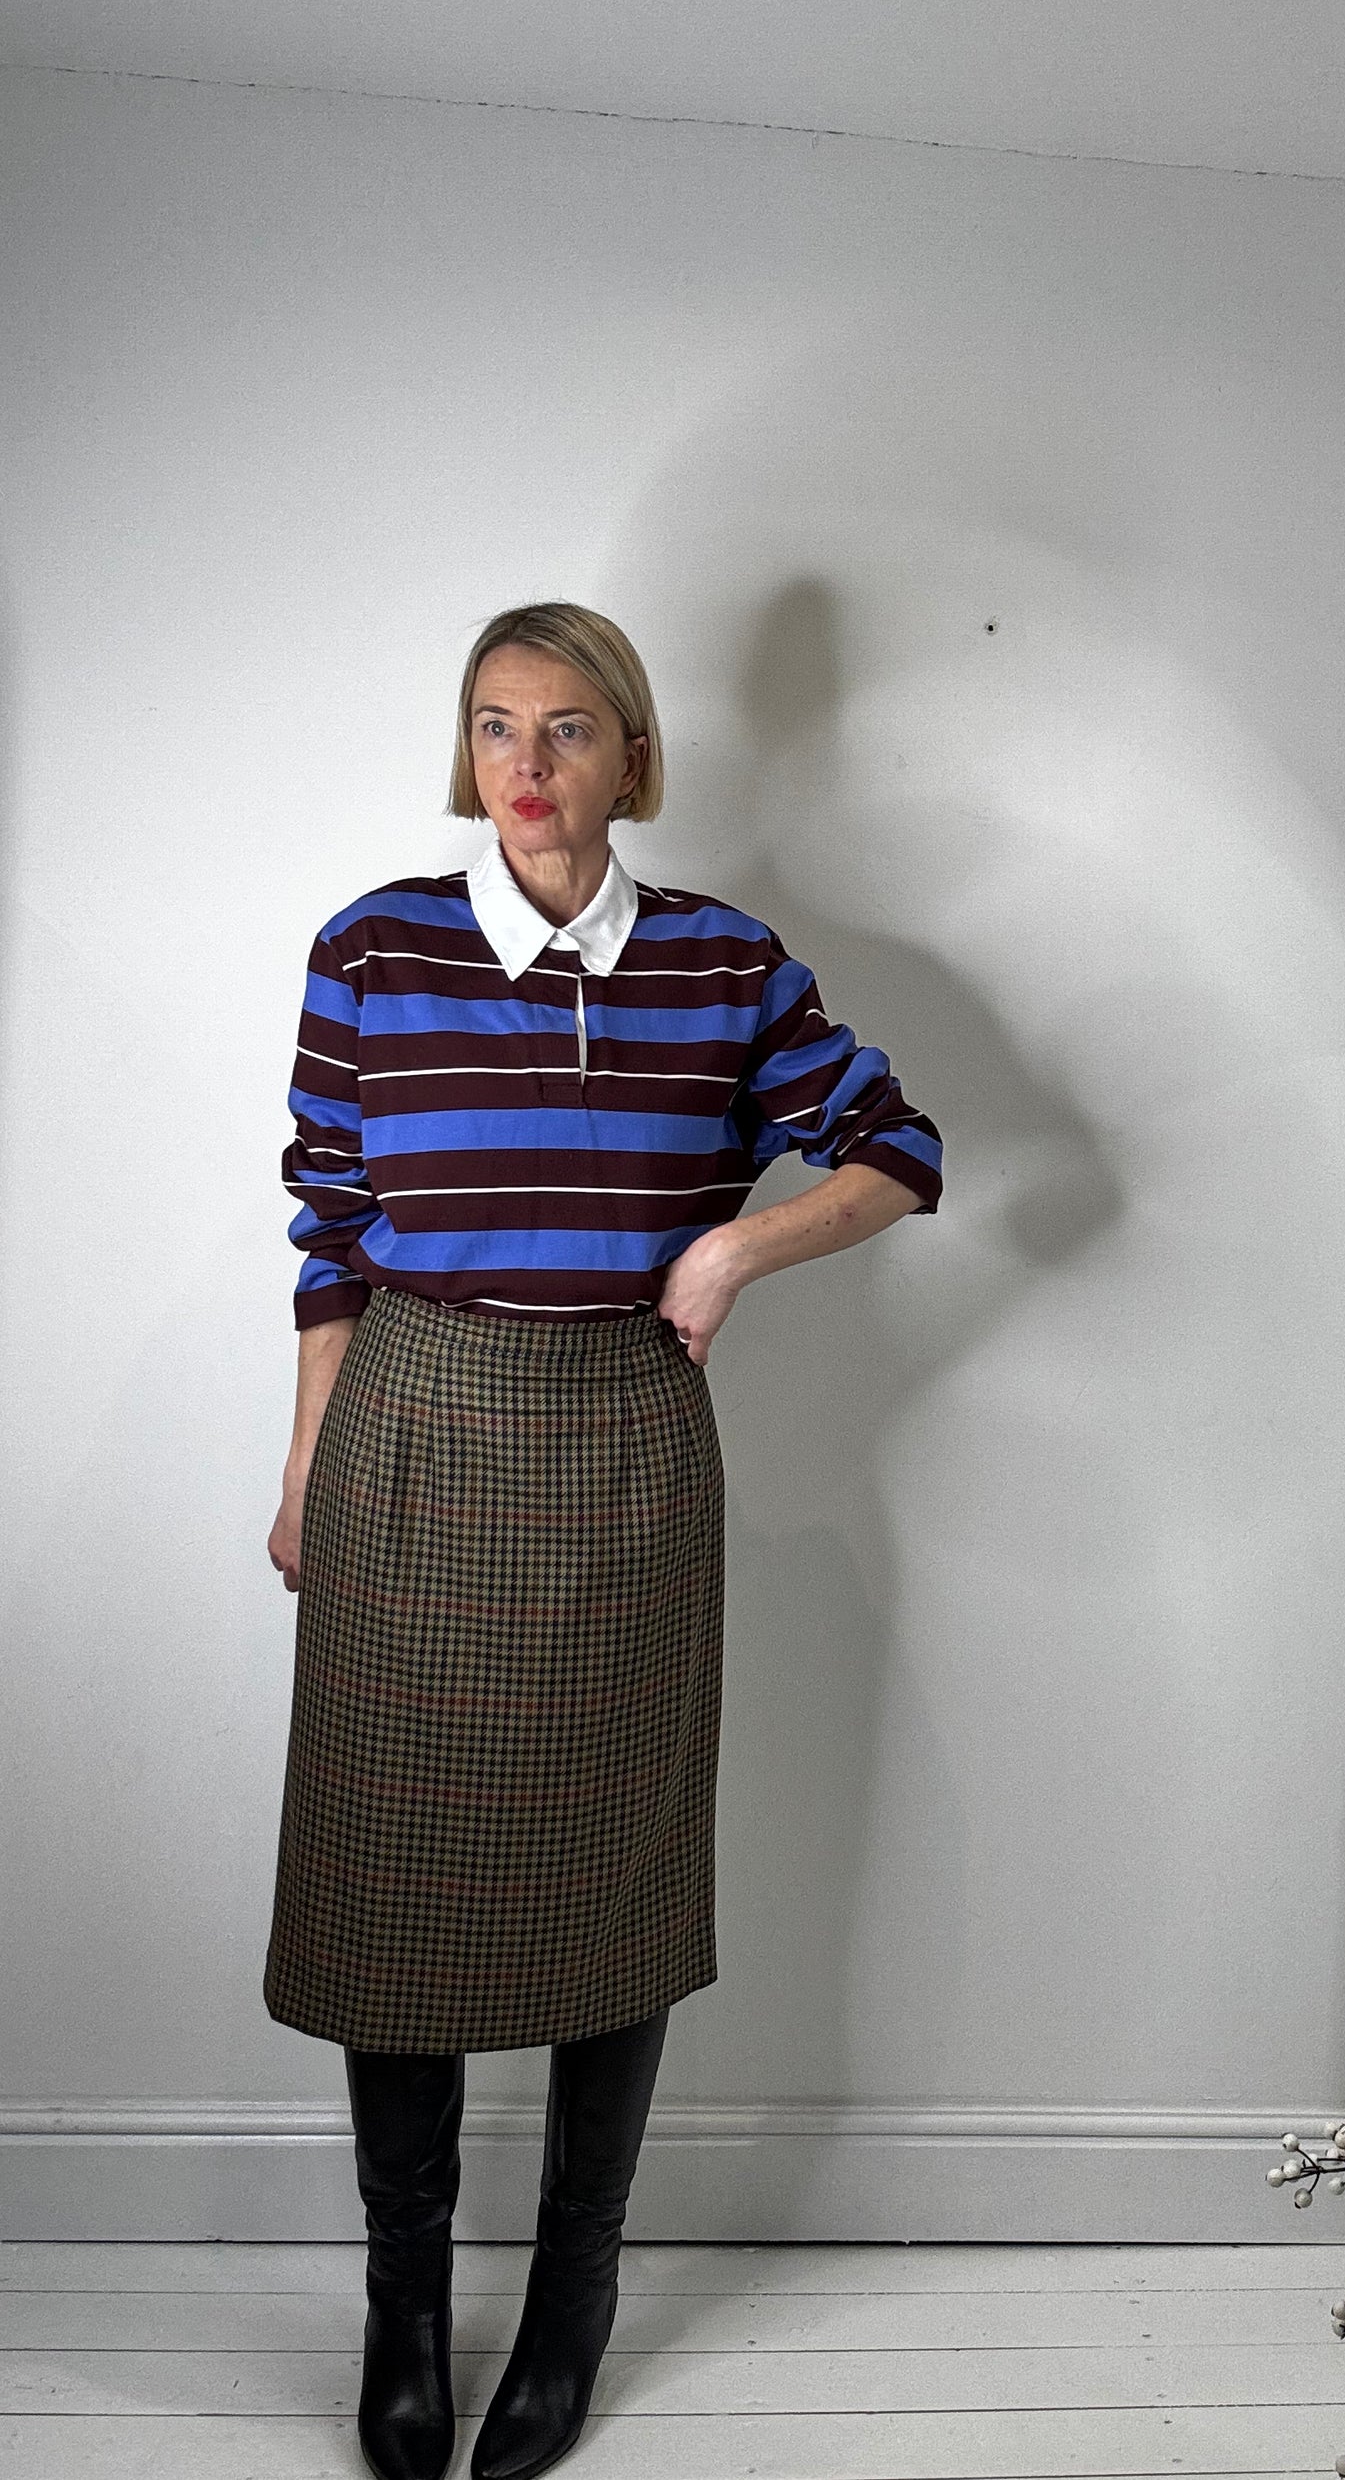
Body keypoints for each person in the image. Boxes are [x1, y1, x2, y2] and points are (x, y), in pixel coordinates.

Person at [263, 600, 942, 2480]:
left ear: (632, 757)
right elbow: (329, 1226)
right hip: (410, 1426)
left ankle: (575, 2293)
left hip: (625, 1445)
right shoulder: (374, 951)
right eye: (496, 726)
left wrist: (732, 1249)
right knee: (393, 1865)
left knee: (610, 1874)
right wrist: (307, 1465)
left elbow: (897, 1147)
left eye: (568, 728)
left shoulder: (722, 964)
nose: (528, 764)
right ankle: (406, 2303)